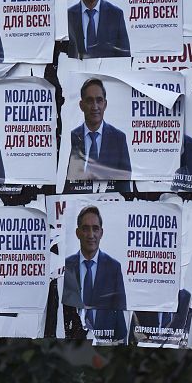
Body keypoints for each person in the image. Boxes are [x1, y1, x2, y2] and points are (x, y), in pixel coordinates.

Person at [63, 206, 127, 341]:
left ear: (101, 233)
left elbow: (120, 314)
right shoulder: (66, 266)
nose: (91, 235)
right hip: (71, 341)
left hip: (106, 344)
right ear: (77, 233)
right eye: (85, 229)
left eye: (95, 229)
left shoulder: (114, 267)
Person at [67, 78, 131, 182]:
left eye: (99, 100)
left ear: (105, 104)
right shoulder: (70, 138)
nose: (95, 107)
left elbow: (125, 179)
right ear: (81, 105)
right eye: (89, 101)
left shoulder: (119, 138)